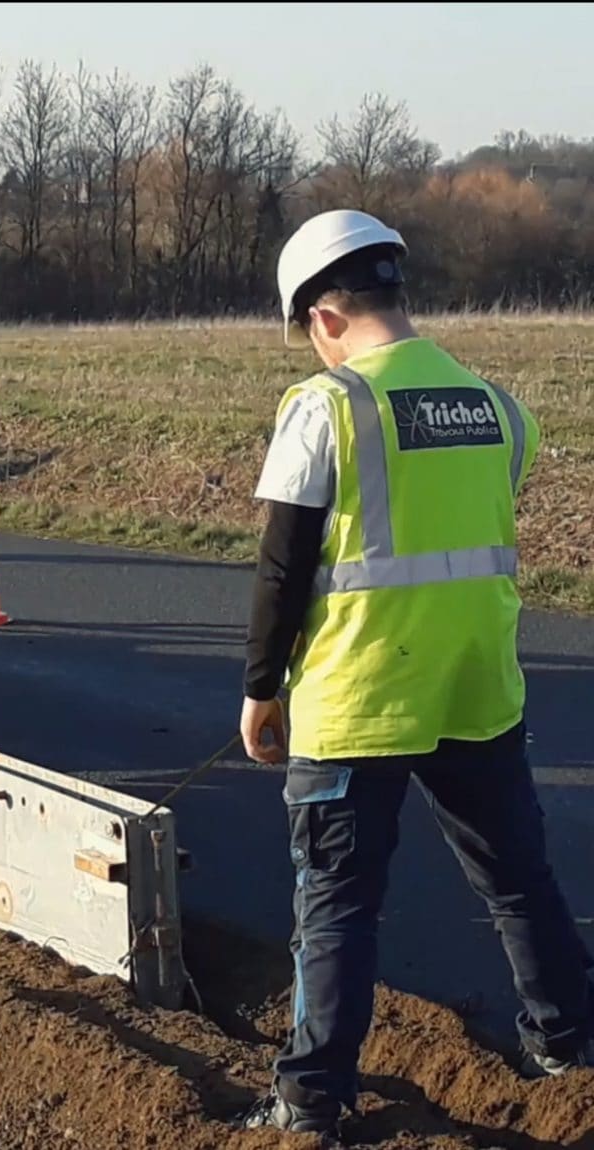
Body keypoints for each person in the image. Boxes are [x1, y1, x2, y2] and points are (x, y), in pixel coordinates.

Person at [237, 208, 593, 1140]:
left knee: (337, 910)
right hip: (478, 691)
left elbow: (282, 570)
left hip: (358, 704)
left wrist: (259, 688)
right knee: (519, 883)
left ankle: (310, 1101)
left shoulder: (324, 408)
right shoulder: (496, 408)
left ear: (321, 318)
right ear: (395, 291)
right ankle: (564, 1046)